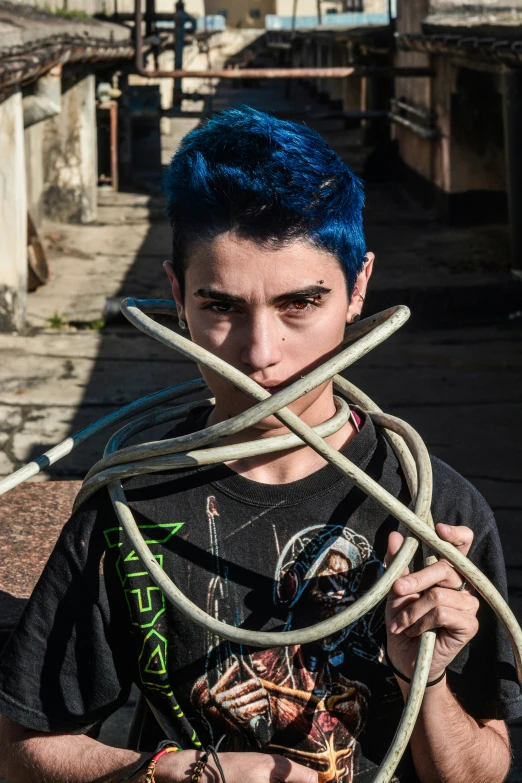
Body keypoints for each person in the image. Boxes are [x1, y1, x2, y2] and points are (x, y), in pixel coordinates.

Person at [0, 106, 519, 783]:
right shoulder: (128, 507)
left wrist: (424, 674)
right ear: (177, 297)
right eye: (221, 308)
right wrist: (190, 771)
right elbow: (21, 750)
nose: (261, 356)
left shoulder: (434, 510)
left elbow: (483, 770)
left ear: (358, 288)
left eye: (300, 303)